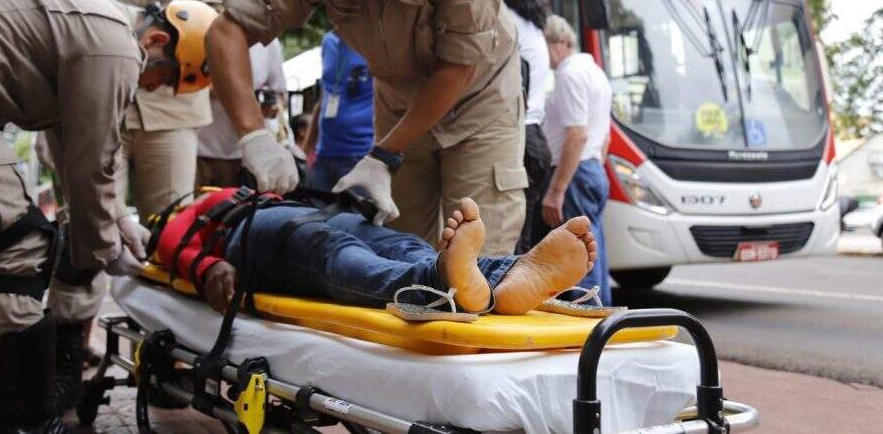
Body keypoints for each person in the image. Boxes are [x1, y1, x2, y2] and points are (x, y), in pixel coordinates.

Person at [207, 0, 527, 255]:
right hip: (398, 105)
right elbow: (226, 31)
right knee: (403, 254)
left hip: (480, 104)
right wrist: (254, 137)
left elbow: (457, 67)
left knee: (475, 254)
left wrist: (382, 156)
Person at [0, 0, 215, 433]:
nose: (155, 90)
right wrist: (102, 249)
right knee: (17, 252)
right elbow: (92, 163)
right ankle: (33, 427)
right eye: (165, 79)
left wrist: (115, 217)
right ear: (156, 40)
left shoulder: (85, 31)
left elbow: (68, 150)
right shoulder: (116, 46)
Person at [49, 0, 232, 410]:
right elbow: (64, 31)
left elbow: (223, 25)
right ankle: (72, 358)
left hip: (171, 117)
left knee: (172, 235)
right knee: (83, 234)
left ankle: (170, 359)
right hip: (93, 114)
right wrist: (154, 20)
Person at [159, 190, 596, 320]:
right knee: (345, 254)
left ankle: (494, 277)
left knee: (396, 248)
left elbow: (176, 246)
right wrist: (211, 265)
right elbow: (174, 247)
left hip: (300, 219)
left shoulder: (215, 199)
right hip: (258, 232)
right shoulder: (189, 214)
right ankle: (471, 275)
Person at [541, 16, 613, 305]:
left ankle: (584, 334)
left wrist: (556, 191)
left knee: (575, 258)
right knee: (594, 254)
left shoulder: (569, 74)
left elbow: (577, 135)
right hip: (592, 169)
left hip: (575, 172)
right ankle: (601, 325)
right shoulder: (596, 72)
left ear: (559, 43)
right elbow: (603, 138)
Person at [502, 0, 553, 253]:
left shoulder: (506, 20)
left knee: (506, 237)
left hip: (517, 137)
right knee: (520, 239)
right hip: (534, 139)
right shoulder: (533, 26)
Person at [196, 39, 288, 188]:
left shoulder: (268, 41)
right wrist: (226, 89)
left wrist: (270, 106)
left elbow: (280, 93)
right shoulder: (204, 28)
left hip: (246, 155)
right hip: (200, 149)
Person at [304, 32, 374, 191]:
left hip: (361, 154)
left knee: (355, 215)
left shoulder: (373, 42)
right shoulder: (328, 41)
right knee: (313, 212)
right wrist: (307, 148)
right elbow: (324, 96)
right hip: (324, 154)